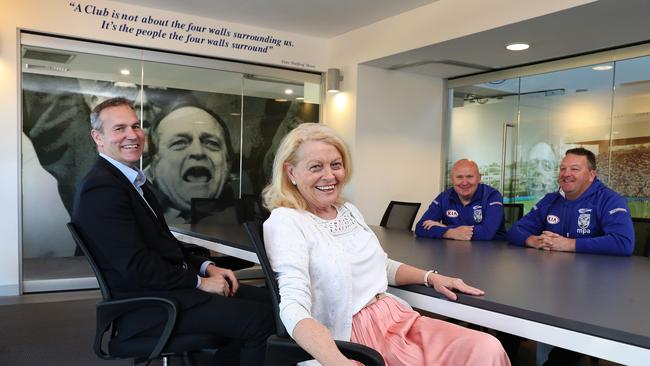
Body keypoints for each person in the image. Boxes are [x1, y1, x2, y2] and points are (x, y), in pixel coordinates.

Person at [262, 123, 510, 365]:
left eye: (336, 165)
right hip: (354, 336)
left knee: (487, 347)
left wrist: (431, 277)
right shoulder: (286, 222)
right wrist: (337, 361)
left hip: (396, 317)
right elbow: (294, 307)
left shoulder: (348, 210)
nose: (329, 175)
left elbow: (382, 265)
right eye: (316, 167)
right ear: (291, 172)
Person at [72, 97, 273, 365]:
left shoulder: (133, 183)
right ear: (98, 137)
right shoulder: (102, 189)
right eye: (119, 129)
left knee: (270, 302)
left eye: (135, 126)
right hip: (149, 306)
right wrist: (200, 283)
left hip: (168, 291)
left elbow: (165, 246)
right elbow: (137, 266)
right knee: (260, 320)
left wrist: (207, 268)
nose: (132, 135)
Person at [507, 147, 634, 256]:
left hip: (596, 278)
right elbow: (515, 230)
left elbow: (623, 242)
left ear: (591, 175)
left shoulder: (610, 200)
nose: (566, 174)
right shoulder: (550, 200)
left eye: (574, 169)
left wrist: (569, 244)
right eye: (562, 168)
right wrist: (533, 240)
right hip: (551, 275)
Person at [147, 98, 233, 223]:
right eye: (179, 142)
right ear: (154, 167)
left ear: (228, 165)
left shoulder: (244, 223)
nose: (198, 152)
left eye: (211, 143)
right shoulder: (138, 220)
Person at [415, 158, 506, 240]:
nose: (465, 182)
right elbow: (420, 227)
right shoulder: (444, 197)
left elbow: (486, 233)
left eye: (470, 177)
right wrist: (449, 233)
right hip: (453, 252)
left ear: (479, 178)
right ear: (452, 179)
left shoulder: (492, 196)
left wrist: (445, 228)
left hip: (489, 254)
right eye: (459, 177)